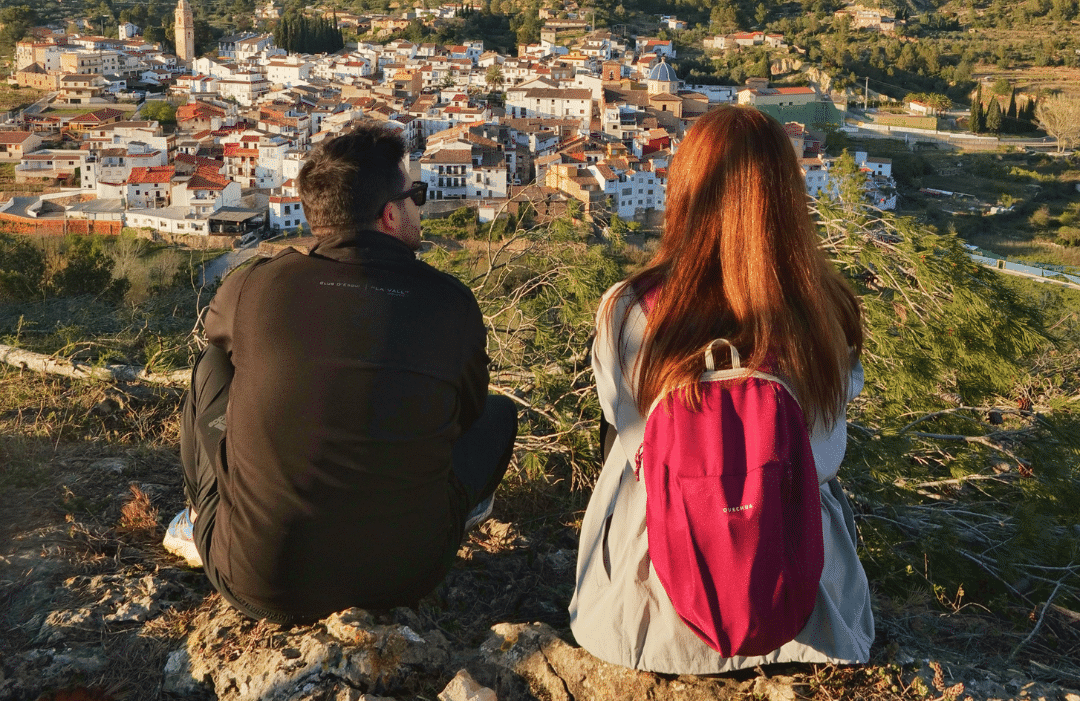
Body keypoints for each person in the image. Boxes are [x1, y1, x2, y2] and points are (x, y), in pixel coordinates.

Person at [164, 120, 517, 624]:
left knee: (212, 364)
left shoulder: (256, 287)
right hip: (408, 574)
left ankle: (205, 516)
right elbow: (469, 412)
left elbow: (219, 341)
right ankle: (444, 515)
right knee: (498, 417)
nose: (420, 204)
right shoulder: (450, 303)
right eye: (416, 194)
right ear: (391, 215)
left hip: (261, 578)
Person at [570, 106, 872, 672]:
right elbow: (829, 439)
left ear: (684, 190)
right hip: (804, 600)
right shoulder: (827, 312)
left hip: (652, 607)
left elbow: (623, 419)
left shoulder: (630, 309)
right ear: (786, 196)